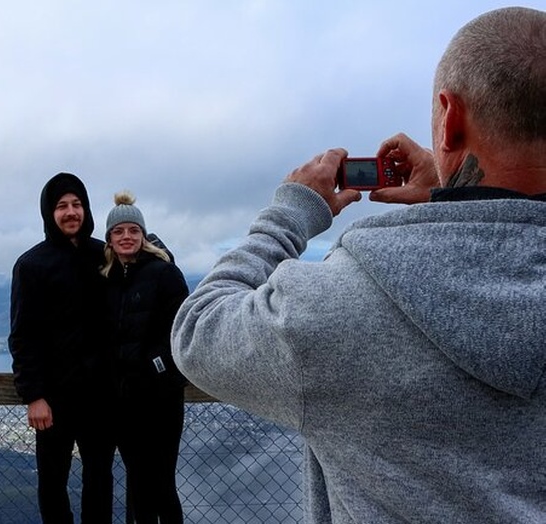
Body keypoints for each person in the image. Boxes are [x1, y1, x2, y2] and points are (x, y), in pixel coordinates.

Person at [171, 6, 546, 524]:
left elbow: (199, 332)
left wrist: (290, 213)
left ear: (450, 118)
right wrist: (456, 195)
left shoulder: (336, 308)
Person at [8, 172, 115, 524]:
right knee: (52, 482)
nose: (71, 212)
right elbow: (22, 336)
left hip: (100, 394)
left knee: (100, 479)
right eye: (61, 206)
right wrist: (34, 396)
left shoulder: (105, 255)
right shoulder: (31, 265)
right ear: (48, 213)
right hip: (53, 399)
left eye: (77, 204)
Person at [101, 191, 189, 524]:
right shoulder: (106, 278)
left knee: (161, 482)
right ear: (109, 238)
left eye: (133, 231)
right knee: (137, 481)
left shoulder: (164, 273)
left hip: (161, 398)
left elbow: (181, 331)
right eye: (119, 231)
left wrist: (154, 368)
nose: (126, 237)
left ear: (143, 234)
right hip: (122, 401)